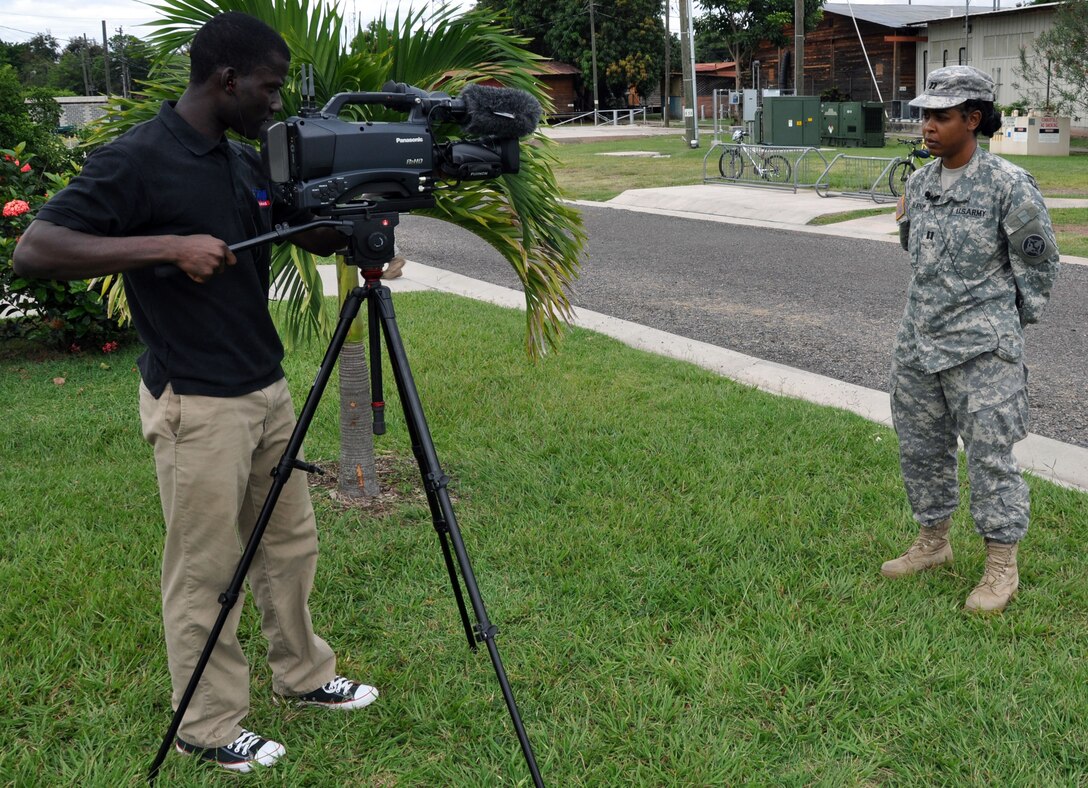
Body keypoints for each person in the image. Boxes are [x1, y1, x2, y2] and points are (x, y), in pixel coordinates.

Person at [14, 13, 378, 772]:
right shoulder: (138, 159)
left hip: (266, 388)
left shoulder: (238, 160)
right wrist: (167, 246)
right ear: (226, 80)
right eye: (269, 87)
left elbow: (288, 228)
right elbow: (36, 249)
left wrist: (352, 228)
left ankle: (304, 677)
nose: (276, 102)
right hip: (199, 403)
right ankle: (207, 726)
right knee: (208, 570)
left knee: (290, 547)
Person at [881, 65, 1060, 613]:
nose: (927, 127)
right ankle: (933, 542)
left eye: (941, 116)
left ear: (973, 119)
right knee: (921, 448)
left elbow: (1039, 266)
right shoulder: (920, 183)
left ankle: (1001, 564)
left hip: (982, 350)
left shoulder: (1008, 184)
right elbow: (915, 250)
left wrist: (1000, 327)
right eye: (925, 116)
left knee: (989, 456)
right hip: (919, 342)